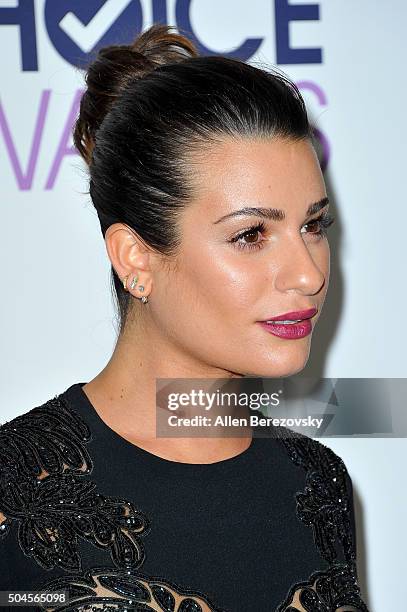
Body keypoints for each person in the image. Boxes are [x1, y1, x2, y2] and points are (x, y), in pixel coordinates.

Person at [0, 23, 369, 612]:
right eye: (252, 234)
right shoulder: (14, 484)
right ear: (136, 258)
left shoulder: (317, 481)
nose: (308, 274)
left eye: (313, 225)